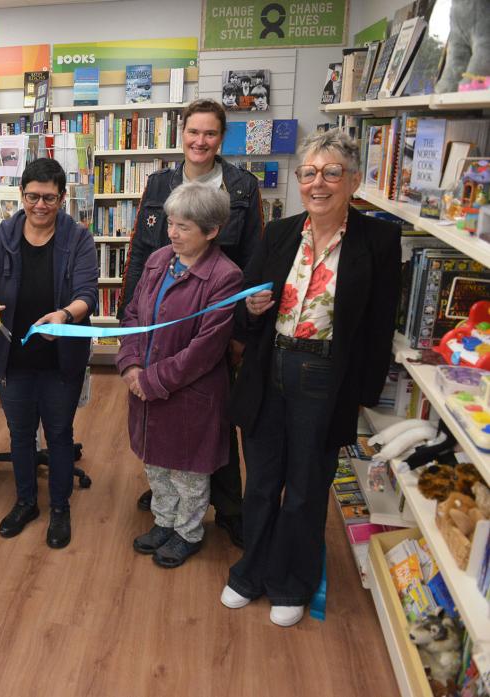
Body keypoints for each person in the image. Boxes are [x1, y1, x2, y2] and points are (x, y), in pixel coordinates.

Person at [221, 130, 401, 626]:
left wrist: (361, 397)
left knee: (305, 488)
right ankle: (250, 572)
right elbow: (247, 309)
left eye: (330, 173)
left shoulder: (379, 241)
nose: (317, 183)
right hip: (269, 366)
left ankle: (290, 583)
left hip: (324, 377)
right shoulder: (279, 234)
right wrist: (253, 309)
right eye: (309, 173)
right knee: (260, 482)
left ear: (354, 181)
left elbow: (379, 324)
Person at [120, 98, 263, 549]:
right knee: (164, 443)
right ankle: (169, 516)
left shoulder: (242, 187)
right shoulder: (160, 187)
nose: (200, 141)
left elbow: (253, 259)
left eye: (210, 134)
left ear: (221, 138)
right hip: (160, 329)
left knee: (205, 436)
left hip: (213, 319)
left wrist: (239, 333)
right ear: (181, 133)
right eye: (193, 132)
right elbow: (141, 258)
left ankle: (211, 515)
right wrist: (131, 353)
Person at [0, 158, 98, 550]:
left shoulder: (78, 239)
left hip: (60, 361)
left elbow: (88, 293)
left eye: (49, 197)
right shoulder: (1, 237)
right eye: (33, 196)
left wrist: (66, 316)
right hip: (14, 361)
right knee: (20, 435)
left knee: (57, 435)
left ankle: (59, 508)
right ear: (21, 196)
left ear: (62, 198)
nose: (40, 204)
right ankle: (25, 503)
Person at [118, 183, 242, 568]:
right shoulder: (158, 260)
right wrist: (131, 365)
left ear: (211, 230)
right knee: (156, 463)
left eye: (184, 227)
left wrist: (151, 381)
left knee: (188, 472)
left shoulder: (225, 277)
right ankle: (164, 521)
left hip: (189, 395)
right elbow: (134, 315)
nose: (172, 233)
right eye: (171, 223)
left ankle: (188, 532)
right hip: (147, 387)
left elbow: (205, 351)